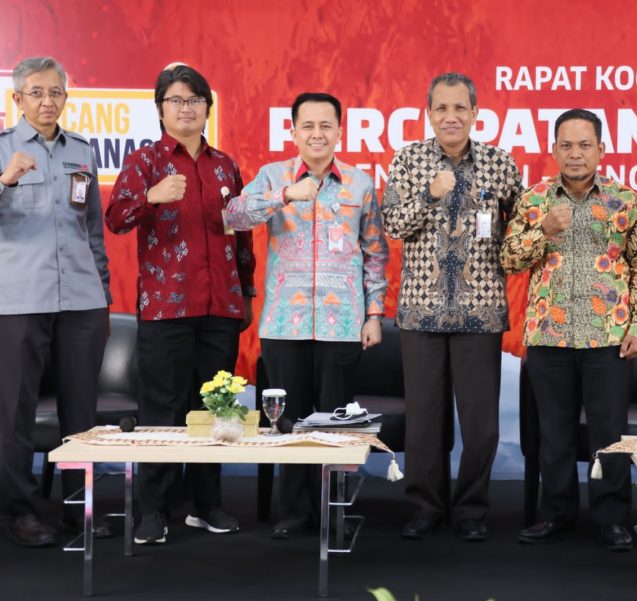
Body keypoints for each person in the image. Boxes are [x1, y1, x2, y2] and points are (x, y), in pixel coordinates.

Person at [225, 92, 388, 539]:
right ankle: (295, 511)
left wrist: (374, 313)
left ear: (340, 131)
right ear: (293, 131)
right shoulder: (272, 176)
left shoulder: (360, 184)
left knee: (338, 422)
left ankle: (332, 507)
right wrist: (283, 196)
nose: (317, 134)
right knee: (290, 420)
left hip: (343, 324)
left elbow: (375, 252)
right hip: (285, 322)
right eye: (308, 126)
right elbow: (233, 216)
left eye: (326, 126)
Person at [106, 64, 256, 545]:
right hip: (166, 309)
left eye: (194, 100)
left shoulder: (226, 165)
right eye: (176, 100)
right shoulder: (144, 161)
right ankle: (154, 509)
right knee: (162, 409)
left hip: (221, 305)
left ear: (208, 108)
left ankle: (206, 503)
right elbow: (116, 219)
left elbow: (243, 234)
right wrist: (149, 197)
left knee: (215, 408)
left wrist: (246, 291)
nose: (186, 108)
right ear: (160, 110)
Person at [502, 109, 637, 551]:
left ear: (601, 150)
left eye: (584, 145)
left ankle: (612, 519)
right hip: (548, 336)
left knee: (608, 434)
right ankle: (555, 515)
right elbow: (509, 259)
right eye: (566, 146)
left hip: (607, 338)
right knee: (554, 433)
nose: (575, 154)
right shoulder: (533, 200)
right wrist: (542, 232)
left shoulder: (623, 200)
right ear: (553, 150)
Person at [382, 72, 523, 542]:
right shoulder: (409, 160)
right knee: (424, 421)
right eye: (441, 108)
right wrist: (430, 194)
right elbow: (394, 224)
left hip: (480, 312)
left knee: (481, 425)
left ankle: (471, 510)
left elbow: (519, 234)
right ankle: (425, 506)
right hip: (421, 312)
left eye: (460, 108)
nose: (450, 117)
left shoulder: (501, 165)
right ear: (428, 113)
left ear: (475, 113)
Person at [0, 56, 112, 546]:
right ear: (18, 99)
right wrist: (4, 182)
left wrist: (103, 293)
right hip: (19, 300)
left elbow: (91, 229)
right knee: (15, 411)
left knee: (80, 412)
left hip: (83, 300)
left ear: (66, 97)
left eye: (56, 93)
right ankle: (20, 513)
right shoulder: (3, 151)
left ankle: (77, 509)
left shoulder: (82, 152)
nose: (48, 101)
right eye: (37, 92)